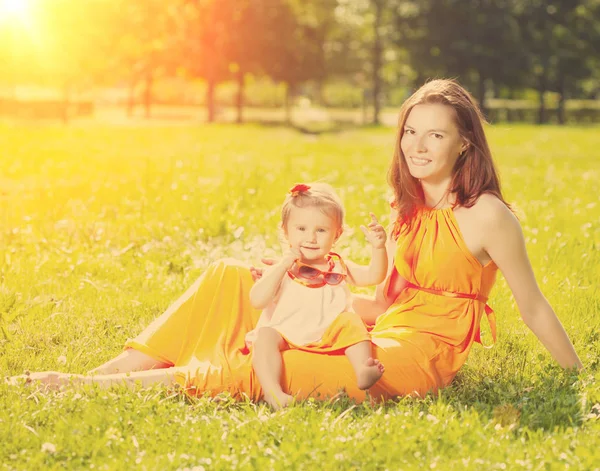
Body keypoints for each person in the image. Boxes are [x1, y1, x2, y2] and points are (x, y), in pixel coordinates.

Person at [10, 79, 582, 403]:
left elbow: (531, 305)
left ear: (465, 145)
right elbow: (382, 300)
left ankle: (86, 389)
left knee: (276, 362)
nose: (417, 145)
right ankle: (113, 369)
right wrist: (304, 285)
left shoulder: (487, 215)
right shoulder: (407, 206)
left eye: (436, 134)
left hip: (416, 354)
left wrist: (576, 378)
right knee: (233, 277)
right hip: (383, 323)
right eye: (410, 131)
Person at [246, 182, 387, 408]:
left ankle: (363, 369)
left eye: (321, 230)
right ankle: (273, 393)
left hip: (330, 332)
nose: (311, 238)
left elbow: (373, 276)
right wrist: (282, 265)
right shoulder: (283, 267)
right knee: (265, 337)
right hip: (288, 331)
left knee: (351, 321)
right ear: (285, 231)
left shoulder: (338, 265)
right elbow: (257, 300)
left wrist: (379, 248)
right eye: (301, 229)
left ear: (337, 234)